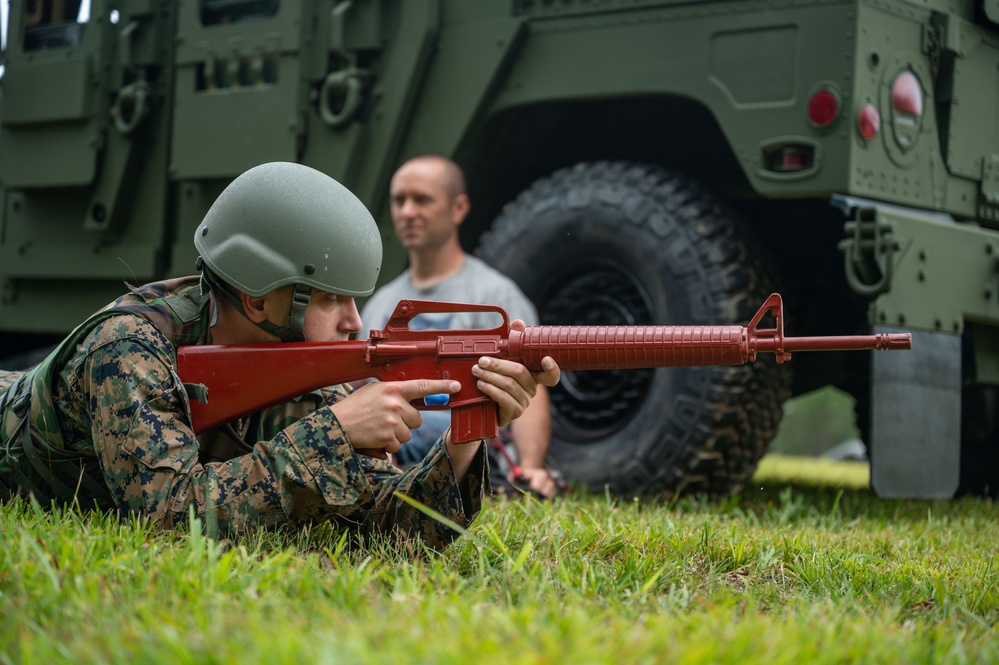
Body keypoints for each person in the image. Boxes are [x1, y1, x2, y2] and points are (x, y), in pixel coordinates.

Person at [0, 162, 560, 548]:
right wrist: (332, 435)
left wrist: (465, 436)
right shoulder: (130, 347)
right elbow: (170, 521)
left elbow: (396, 531)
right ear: (261, 297)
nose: (354, 322)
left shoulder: (305, 365)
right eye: (330, 297)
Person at [360, 155, 558, 498]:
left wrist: (531, 468)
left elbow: (527, 384)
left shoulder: (494, 294)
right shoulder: (379, 302)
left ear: (458, 208)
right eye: (399, 201)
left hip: (469, 446)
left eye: (422, 200)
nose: (407, 212)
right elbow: (358, 391)